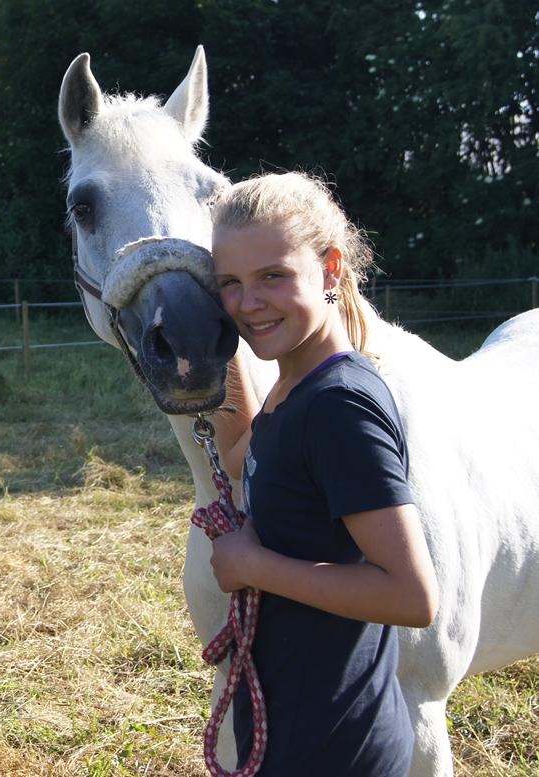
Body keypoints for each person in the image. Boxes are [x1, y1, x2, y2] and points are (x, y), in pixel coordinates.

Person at [206, 172, 439, 775]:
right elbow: (243, 457)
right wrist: (214, 339)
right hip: (297, 728)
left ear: (330, 269)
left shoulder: (339, 406)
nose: (249, 302)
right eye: (230, 284)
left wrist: (254, 566)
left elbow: (413, 596)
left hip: (335, 747)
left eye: (272, 277)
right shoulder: (292, 386)